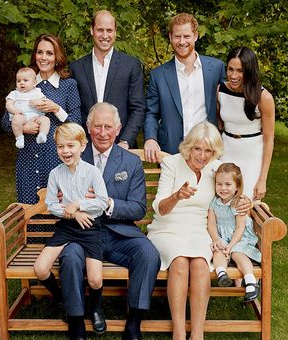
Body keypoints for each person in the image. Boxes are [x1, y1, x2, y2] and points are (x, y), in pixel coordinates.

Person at [58, 102, 160, 340]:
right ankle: (78, 333)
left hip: (118, 234)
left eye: (108, 127)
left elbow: (138, 208)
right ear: (88, 129)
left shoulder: (130, 162)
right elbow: (60, 192)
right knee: (69, 257)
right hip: (81, 233)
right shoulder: (74, 155)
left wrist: (107, 202)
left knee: (148, 254)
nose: (102, 132)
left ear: (118, 129)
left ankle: (134, 330)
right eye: (97, 126)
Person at [147, 121, 250, 340]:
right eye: (197, 150)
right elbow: (158, 207)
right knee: (180, 261)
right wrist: (176, 196)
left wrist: (246, 202)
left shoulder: (216, 169)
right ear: (188, 147)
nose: (202, 156)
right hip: (168, 228)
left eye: (208, 151)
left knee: (202, 265)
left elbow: (234, 189)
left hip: (200, 230)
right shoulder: (172, 163)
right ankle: (179, 336)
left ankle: (198, 337)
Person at [33, 123, 109, 331]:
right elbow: (51, 205)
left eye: (70, 146)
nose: (65, 151)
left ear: (83, 146)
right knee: (40, 268)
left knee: (94, 279)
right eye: (60, 146)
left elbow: (102, 202)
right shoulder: (55, 174)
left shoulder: (93, 172)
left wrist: (79, 204)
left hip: (89, 227)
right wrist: (73, 212)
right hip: (67, 226)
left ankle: (95, 308)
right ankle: (62, 300)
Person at [2, 34, 82, 204]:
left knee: (58, 208)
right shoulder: (25, 82)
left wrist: (56, 109)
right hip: (28, 157)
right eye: (40, 52)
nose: (43, 58)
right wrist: (22, 129)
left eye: (49, 53)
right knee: (28, 208)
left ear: (57, 56)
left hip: (57, 157)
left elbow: (77, 123)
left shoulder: (68, 85)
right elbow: (4, 121)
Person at [144, 12, 225, 160]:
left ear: (195, 36)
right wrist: (150, 138)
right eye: (177, 36)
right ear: (170, 37)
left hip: (208, 150)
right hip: (171, 151)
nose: (182, 42)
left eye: (186, 36)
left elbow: (227, 104)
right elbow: (152, 113)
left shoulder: (216, 68)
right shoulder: (158, 75)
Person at [70, 10, 145, 149]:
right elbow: (75, 109)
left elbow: (138, 108)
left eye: (109, 30)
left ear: (115, 32)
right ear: (92, 30)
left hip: (122, 146)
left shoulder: (131, 65)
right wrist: (81, 140)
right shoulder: (76, 68)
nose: (105, 35)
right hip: (86, 148)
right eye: (100, 30)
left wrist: (125, 141)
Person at [218, 46, 275, 200]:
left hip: (252, 155)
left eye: (240, 71)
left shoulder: (264, 97)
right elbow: (219, 125)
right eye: (230, 69)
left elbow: (269, 139)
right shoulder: (220, 91)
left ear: (249, 71)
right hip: (226, 152)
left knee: (246, 205)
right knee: (223, 202)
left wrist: (262, 180)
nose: (234, 75)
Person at [207, 163, 261, 302]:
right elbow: (212, 224)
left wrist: (230, 246)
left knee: (237, 253)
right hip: (222, 237)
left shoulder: (238, 202)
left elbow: (240, 228)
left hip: (239, 238)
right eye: (219, 184)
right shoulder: (214, 202)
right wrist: (216, 239)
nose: (223, 188)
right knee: (218, 250)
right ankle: (222, 274)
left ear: (237, 186)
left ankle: (250, 281)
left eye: (227, 184)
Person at [6, 67, 50, 149]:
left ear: (34, 82)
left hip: (36, 117)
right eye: (18, 81)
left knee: (45, 120)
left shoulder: (37, 92)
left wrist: (39, 102)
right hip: (21, 116)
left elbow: (45, 102)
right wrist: (14, 110)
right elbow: (8, 104)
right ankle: (19, 138)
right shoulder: (14, 93)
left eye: (25, 80)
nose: (21, 83)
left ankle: (42, 134)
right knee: (15, 120)